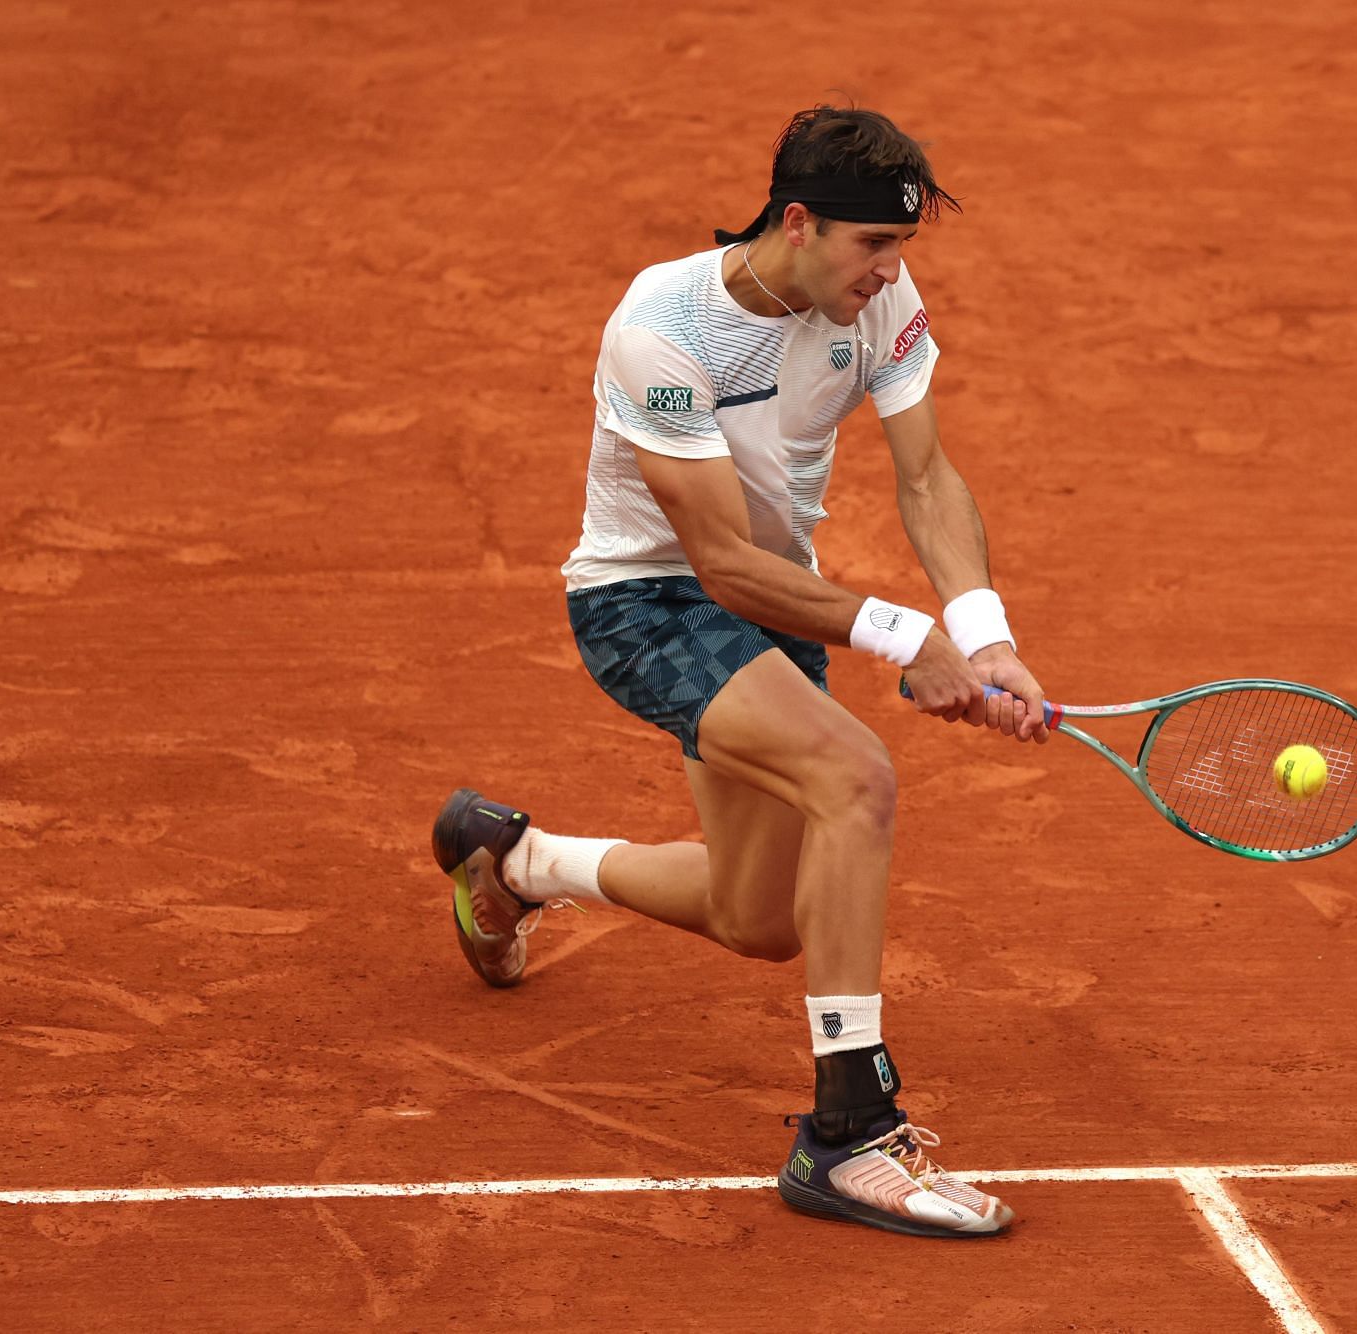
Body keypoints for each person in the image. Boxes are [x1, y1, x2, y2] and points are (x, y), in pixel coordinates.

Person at [431, 105, 1046, 1239]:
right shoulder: (662, 325)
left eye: (901, 251)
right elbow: (716, 560)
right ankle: (849, 1133)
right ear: (799, 222)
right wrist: (909, 643)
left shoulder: (881, 304)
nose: (890, 274)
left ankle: (515, 858)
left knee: (759, 916)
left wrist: (982, 625)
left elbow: (927, 477)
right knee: (855, 777)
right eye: (872, 247)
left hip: (778, 598)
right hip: (649, 602)